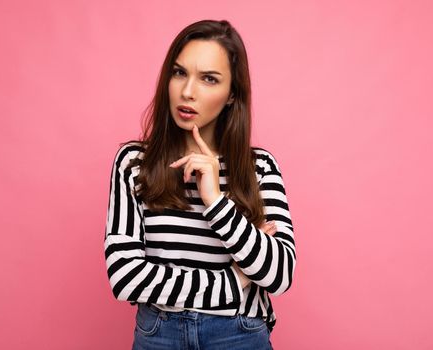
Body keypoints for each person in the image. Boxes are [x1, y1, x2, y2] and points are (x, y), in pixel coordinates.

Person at [103, 19, 296, 350]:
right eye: (179, 73)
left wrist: (216, 201)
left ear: (232, 94)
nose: (188, 91)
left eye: (209, 79)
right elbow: (125, 277)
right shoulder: (135, 162)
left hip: (239, 334)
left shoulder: (258, 167)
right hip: (158, 336)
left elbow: (279, 274)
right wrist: (234, 282)